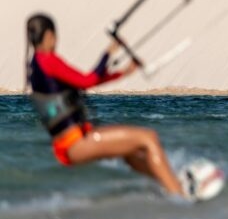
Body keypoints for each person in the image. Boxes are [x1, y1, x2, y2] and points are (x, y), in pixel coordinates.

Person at [25, 13, 186, 197]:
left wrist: (122, 73)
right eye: (55, 37)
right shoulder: (48, 60)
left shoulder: (36, 64)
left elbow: (82, 82)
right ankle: (179, 195)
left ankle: (169, 183)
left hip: (69, 145)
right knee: (148, 138)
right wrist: (108, 52)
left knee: (131, 153)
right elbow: (87, 80)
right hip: (76, 143)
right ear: (49, 36)